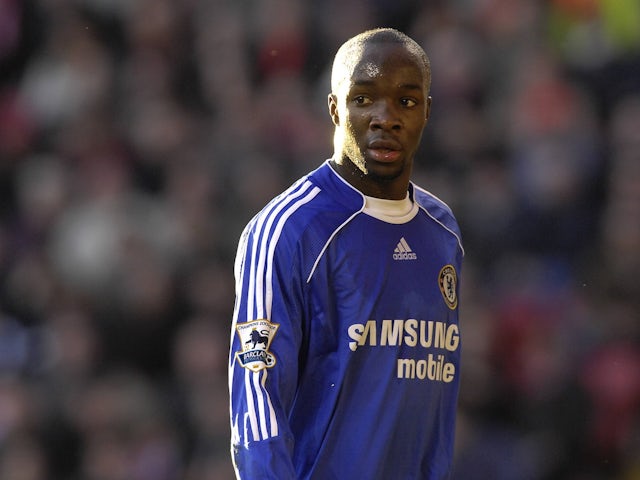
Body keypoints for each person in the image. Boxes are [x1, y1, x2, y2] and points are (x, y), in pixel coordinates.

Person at [228, 28, 464, 479]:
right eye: (364, 98)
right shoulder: (287, 229)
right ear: (334, 107)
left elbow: (432, 400)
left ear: (428, 112)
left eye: (406, 102)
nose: (385, 118)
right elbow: (257, 396)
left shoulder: (442, 231)